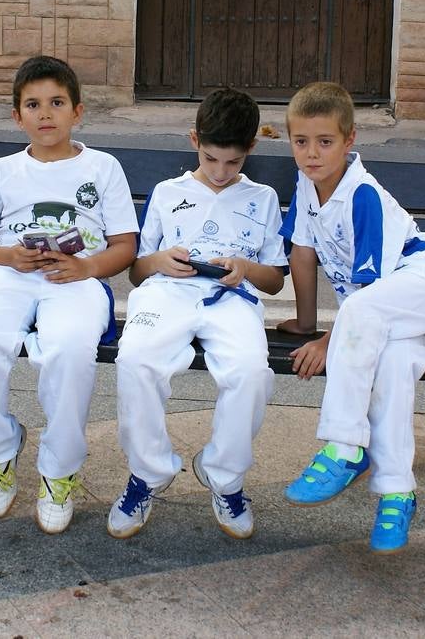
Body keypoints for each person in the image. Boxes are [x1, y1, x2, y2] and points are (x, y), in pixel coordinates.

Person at [0, 55, 139, 534]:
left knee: (71, 349)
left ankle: (59, 469)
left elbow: (125, 246)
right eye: (33, 104)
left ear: (78, 111)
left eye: (57, 103)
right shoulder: (1, 172)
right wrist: (7, 256)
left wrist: (87, 266)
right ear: (17, 116)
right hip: (10, 274)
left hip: (76, 280)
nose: (45, 113)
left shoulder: (102, 167)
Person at [277, 81, 425, 553]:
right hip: (392, 316)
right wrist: (305, 325)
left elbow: (369, 293)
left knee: (360, 310)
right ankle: (397, 493)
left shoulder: (363, 196)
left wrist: (328, 342)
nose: (312, 154)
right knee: (396, 366)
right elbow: (301, 251)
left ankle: (343, 446)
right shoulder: (306, 182)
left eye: (325, 142)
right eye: (302, 142)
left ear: (349, 140)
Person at [107, 88, 287, 541]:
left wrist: (244, 268)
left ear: (251, 149)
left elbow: (275, 279)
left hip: (232, 300)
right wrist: (162, 260)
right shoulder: (169, 193)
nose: (222, 172)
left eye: (233, 162)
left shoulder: (262, 198)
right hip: (168, 294)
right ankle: (148, 473)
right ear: (193, 141)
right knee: (135, 360)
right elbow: (137, 270)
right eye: (211, 160)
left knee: (249, 372)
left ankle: (223, 476)